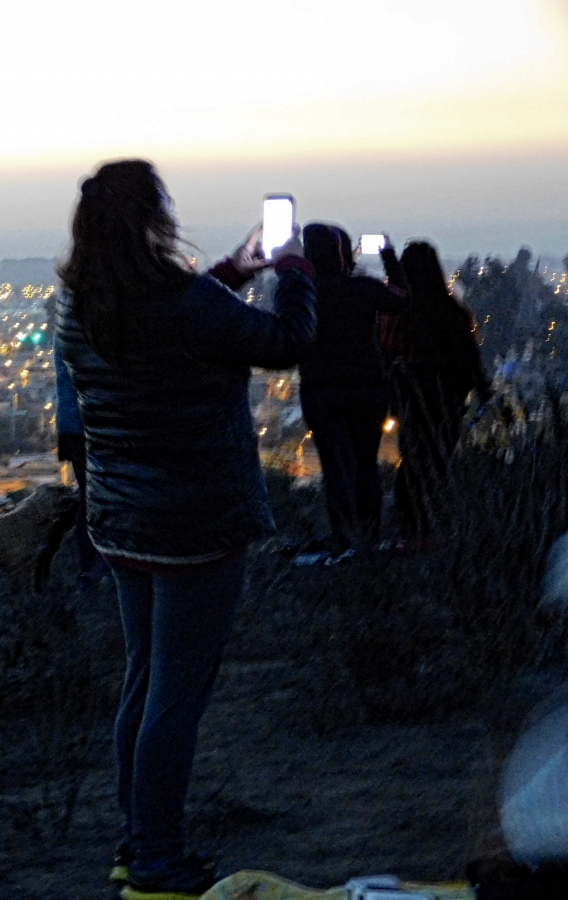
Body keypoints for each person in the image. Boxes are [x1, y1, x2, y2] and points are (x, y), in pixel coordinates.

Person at [56, 159, 316, 899]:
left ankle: (136, 841)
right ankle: (159, 862)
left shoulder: (80, 305)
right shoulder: (183, 299)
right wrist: (292, 270)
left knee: (143, 681)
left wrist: (235, 268)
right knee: (176, 693)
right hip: (195, 522)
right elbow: (287, 341)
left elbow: (181, 327)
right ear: (154, 219)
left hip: (122, 522)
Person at [297, 224, 410, 561]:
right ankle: (369, 535)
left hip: (321, 389)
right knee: (366, 462)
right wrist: (389, 254)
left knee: (334, 466)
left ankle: (343, 538)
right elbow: (403, 299)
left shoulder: (304, 291)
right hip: (367, 387)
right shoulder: (363, 288)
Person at [380, 240, 491, 536]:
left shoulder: (396, 316)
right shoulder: (452, 313)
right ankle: (429, 526)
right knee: (437, 461)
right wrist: (480, 391)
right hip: (447, 402)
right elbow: (470, 358)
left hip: (410, 404)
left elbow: (384, 357)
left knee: (414, 461)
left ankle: (412, 526)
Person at [52, 323, 106, 588]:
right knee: (101, 500)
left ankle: (89, 569)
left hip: (74, 425)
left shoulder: (68, 316)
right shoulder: (89, 318)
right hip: (92, 424)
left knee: (90, 499)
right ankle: (97, 569)